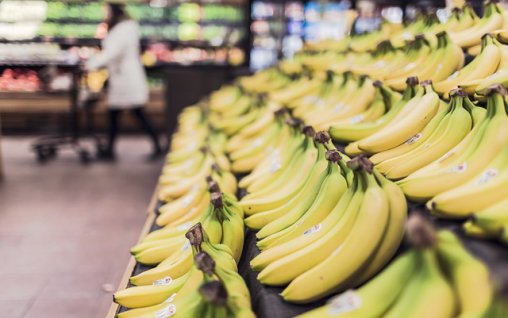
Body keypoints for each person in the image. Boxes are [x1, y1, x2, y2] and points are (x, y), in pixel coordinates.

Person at [86, 2, 162, 160]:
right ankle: (111, 149)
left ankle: (156, 145)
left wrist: (91, 63)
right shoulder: (126, 28)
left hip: (126, 78)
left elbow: (112, 53)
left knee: (135, 113)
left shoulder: (122, 30)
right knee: (117, 114)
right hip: (123, 77)